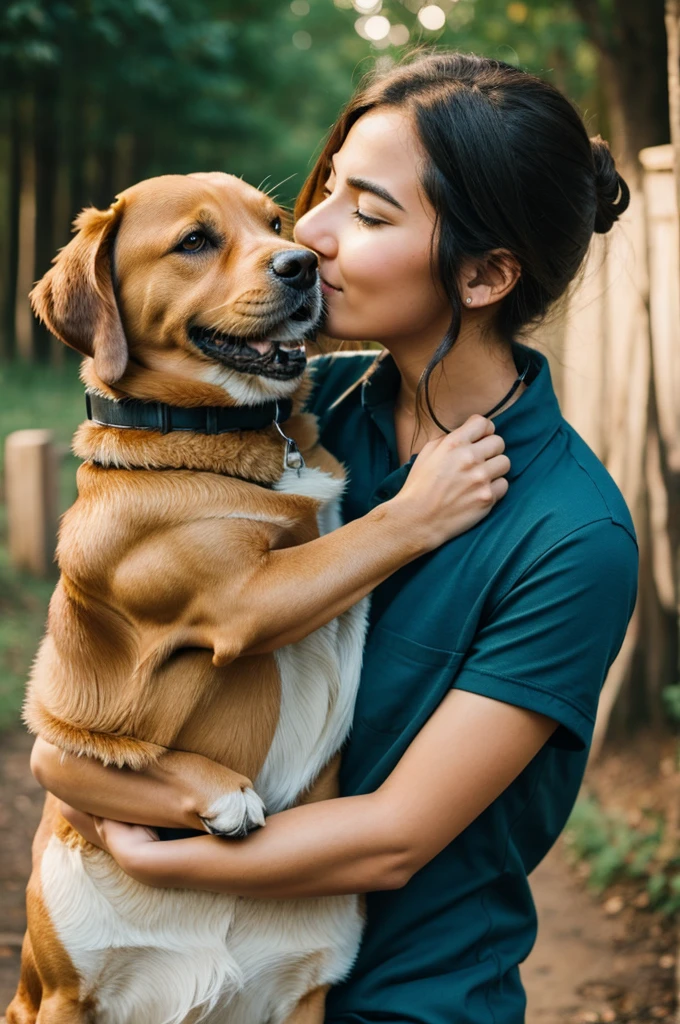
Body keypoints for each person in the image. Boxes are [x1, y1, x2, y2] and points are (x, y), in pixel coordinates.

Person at [32, 52, 638, 1023]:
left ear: (483, 274)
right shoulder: (286, 440)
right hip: (198, 983)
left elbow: (393, 839)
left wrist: (155, 850)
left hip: (404, 997)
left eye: (365, 212)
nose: (306, 239)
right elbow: (75, 738)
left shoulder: (570, 537)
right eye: (319, 194)